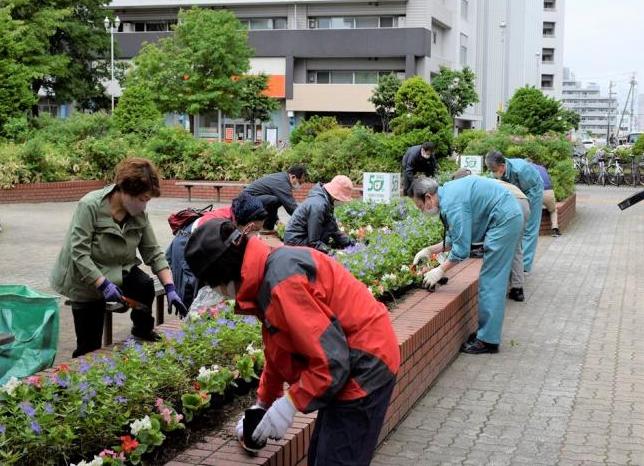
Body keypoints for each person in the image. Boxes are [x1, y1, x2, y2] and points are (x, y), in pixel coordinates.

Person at [184, 219, 400, 465]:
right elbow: (280, 346)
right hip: (353, 360)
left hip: (366, 366)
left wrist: (290, 403)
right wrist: (263, 404)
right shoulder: (266, 273)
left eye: (214, 286)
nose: (218, 294)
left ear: (224, 276)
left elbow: (331, 363)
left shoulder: (282, 283)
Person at [51, 158, 187, 358]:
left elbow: (153, 252)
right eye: (142, 199)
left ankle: (141, 330)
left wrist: (170, 288)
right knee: (90, 347)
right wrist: (102, 284)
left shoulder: (139, 215)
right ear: (125, 191)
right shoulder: (90, 205)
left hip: (118, 270)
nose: (144, 206)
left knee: (145, 285)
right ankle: (76, 381)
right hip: (85, 278)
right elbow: (78, 252)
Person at [411, 177, 523, 354]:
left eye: (420, 206)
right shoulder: (448, 195)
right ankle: (486, 333)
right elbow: (456, 236)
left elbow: (462, 249)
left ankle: (488, 340)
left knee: (491, 280)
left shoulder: (454, 203)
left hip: (504, 221)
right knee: (491, 278)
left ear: (428, 197)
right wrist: (429, 250)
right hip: (506, 215)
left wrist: (440, 270)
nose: (422, 210)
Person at [165, 192, 268, 308]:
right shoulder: (215, 226)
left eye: (259, 230)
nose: (256, 235)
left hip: (201, 247)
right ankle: (190, 318)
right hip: (187, 246)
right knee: (190, 287)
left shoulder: (239, 218)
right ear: (244, 223)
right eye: (255, 229)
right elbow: (208, 260)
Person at [452, 168, 530, 302]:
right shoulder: (483, 182)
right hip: (523, 201)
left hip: (510, 204)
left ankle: (497, 292)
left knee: (497, 249)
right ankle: (517, 288)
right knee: (516, 246)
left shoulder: (469, 189)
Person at [485, 151, 544, 273]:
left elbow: (528, 192)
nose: (492, 172)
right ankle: (514, 261)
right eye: (490, 169)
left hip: (532, 191)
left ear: (502, 166)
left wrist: (525, 209)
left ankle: (524, 266)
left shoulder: (521, 169)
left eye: (494, 169)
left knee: (529, 227)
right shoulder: (498, 171)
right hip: (516, 192)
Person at [283, 175, 355, 254]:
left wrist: (351, 243)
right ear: (336, 195)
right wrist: (333, 253)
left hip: (304, 238)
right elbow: (313, 242)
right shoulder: (318, 205)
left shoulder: (325, 199)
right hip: (295, 242)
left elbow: (333, 229)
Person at [243, 165, 307, 232]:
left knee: (276, 200)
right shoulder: (283, 183)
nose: (299, 186)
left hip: (247, 201)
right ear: (293, 177)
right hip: (245, 204)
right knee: (277, 200)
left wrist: (276, 220)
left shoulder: (281, 178)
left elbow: (270, 204)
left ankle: (268, 227)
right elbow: (291, 207)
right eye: (299, 182)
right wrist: (308, 220)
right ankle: (267, 227)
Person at [530, 162, 560, 237]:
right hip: (549, 191)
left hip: (538, 193)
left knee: (534, 211)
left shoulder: (528, 169)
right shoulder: (542, 168)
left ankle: (533, 232)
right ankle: (555, 229)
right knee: (553, 210)